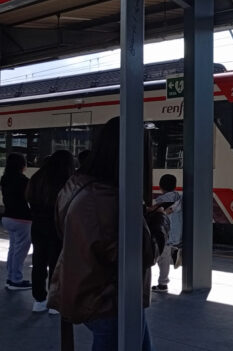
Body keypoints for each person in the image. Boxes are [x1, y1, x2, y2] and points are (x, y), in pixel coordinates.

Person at [48, 117, 169, 351]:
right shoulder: (109, 199)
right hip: (109, 300)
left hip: (92, 291)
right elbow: (143, 254)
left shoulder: (77, 186)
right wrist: (160, 220)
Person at [26, 150, 75, 313]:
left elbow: (29, 199)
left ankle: (39, 300)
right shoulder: (66, 181)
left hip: (38, 226)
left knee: (39, 262)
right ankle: (55, 301)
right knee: (57, 264)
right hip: (58, 227)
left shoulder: (37, 178)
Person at [1, 152, 32, 290]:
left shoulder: (5, 178)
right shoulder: (23, 180)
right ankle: (16, 280)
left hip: (7, 218)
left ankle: (10, 277)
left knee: (13, 249)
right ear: (22, 165)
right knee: (20, 251)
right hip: (22, 219)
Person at [151, 174, 182, 293]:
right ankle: (163, 283)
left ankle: (163, 284)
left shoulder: (161, 201)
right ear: (175, 186)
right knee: (165, 257)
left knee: (161, 258)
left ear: (160, 187)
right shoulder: (179, 197)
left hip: (164, 234)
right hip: (175, 235)